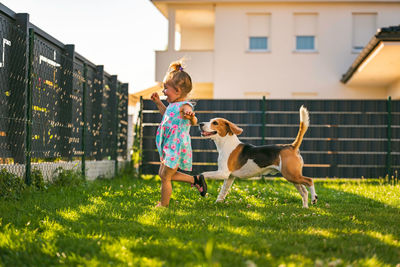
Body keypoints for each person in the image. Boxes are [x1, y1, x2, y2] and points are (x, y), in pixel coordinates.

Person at [151, 59, 207, 207]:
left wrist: (191, 115)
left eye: (165, 88)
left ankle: (163, 205)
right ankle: (195, 180)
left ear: (177, 91)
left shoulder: (184, 106)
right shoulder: (172, 105)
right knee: (163, 174)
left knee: (165, 177)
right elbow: (166, 115)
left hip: (176, 146)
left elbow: (194, 121)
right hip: (169, 145)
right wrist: (158, 103)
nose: (163, 91)